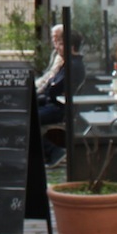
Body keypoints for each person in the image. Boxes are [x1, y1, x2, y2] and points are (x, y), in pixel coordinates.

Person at [35, 26, 84, 166]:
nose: (57, 48)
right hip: (53, 105)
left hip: (60, 109)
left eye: (61, 44)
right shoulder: (67, 63)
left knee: (29, 120)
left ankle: (54, 151)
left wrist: (47, 91)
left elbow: (54, 88)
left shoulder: (74, 65)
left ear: (71, 46)